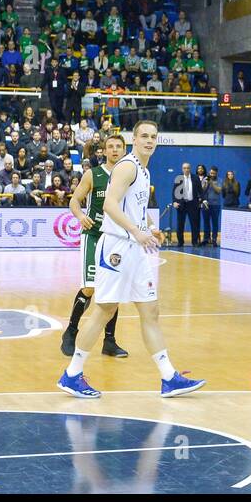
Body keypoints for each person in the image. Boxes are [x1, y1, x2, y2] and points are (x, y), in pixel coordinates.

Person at [56, 120, 204, 399]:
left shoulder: (144, 171)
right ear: (134, 140)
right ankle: (72, 374)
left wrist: (149, 229)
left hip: (135, 250)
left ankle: (168, 376)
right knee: (104, 310)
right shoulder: (128, 166)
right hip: (117, 248)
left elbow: (133, 209)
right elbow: (110, 204)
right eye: (144, 136)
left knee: (151, 311)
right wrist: (136, 231)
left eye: (153, 136)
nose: (149, 140)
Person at [60, 135, 128, 361]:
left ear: (125, 149)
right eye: (111, 147)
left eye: (119, 146)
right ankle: (71, 331)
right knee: (90, 288)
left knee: (112, 291)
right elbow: (74, 200)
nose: (115, 150)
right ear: (104, 151)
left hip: (115, 238)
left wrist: (149, 227)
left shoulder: (129, 176)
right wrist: (80, 216)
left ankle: (109, 341)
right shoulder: (93, 174)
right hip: (93, 235)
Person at [172, 161, 201, 247]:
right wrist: (174, 202)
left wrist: (202, 200)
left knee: (194, 224)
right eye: (184, 168)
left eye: (188, 168)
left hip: (193, 204)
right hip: (182, 204)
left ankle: (195, 242)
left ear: (190, 169)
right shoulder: (178, 178)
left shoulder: (195, 178)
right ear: (182, 169)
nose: (186, 169)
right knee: (180, 224)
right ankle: (180, 242)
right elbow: (174, 192)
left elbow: (200, 191)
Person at [202, 166, 222, 246]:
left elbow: (219, 191)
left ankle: (214, 239)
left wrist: (211, 183)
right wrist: (206, 183)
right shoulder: (205, 179)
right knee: (206, 222)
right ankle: (206, 238)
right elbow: (202, 190)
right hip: (206, 204)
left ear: (216, 173)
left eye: (213, 173)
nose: (212, 174)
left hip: (215, 204)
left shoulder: (219, 180)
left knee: (215, 223)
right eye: (211, 173)